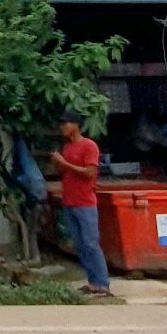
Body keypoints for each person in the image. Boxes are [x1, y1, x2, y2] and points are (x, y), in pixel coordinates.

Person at [50, 109, 111, 297]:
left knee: (91, 243)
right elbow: (65, 172)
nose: (62, 127)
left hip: (85, 203)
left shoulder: (89, 146)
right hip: (70, 201)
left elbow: (89, 173)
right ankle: (93, 282)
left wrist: (64, 163)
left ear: (75, 125)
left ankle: (103, 284)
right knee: (80, 245)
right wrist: (58, 163)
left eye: (65, 123)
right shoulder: (67, 147)